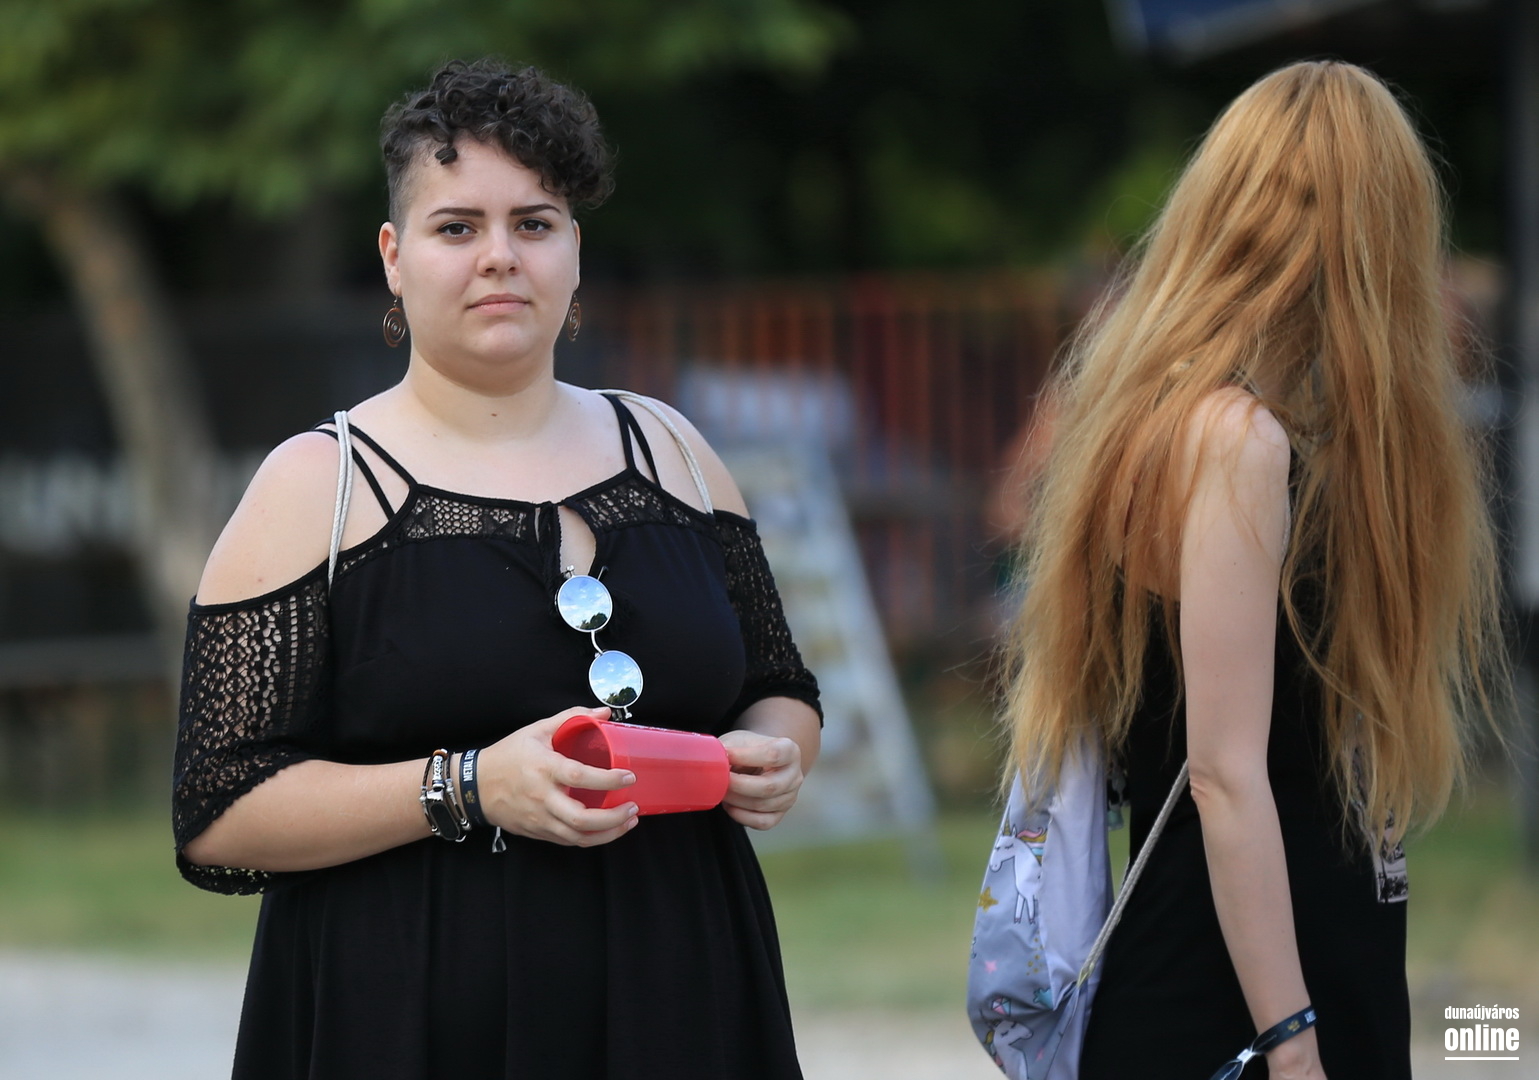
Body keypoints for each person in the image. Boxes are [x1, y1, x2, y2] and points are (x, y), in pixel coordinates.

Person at [172, 58, 822, 1080]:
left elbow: (778, 684)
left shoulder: (676, 451)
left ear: (575, 250)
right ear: (394, 257)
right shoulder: (315, 486)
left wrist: (775, 750)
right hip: (412, 1009)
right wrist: (469, 787)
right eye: (456, 227)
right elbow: (217, 809)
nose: (500, 257)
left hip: (680, 983)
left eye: (534, 222)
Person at [1000, 61, 1506, 1080]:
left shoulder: (1218, 428)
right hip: (1238, 1006)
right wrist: (1292, 1042)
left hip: (1286, 973)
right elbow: (1224, 776)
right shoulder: (1235, 440)